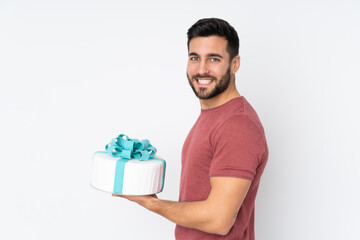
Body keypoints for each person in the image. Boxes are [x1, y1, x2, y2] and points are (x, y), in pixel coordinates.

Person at [113, 18, 268, 240]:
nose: (202, 69)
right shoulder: (215, 116)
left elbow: (218, 220)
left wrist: (151, 203)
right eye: (195, 57)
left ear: (235, 64)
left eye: (214, 59)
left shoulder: (237, 125)